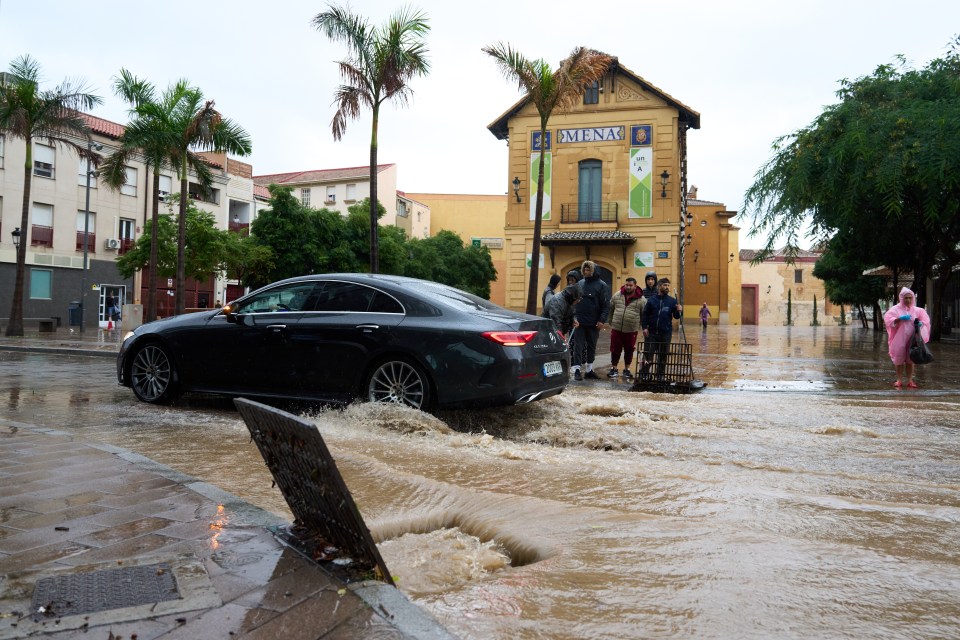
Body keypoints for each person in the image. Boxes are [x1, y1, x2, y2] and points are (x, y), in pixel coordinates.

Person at [882, 287, 931, 389]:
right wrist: (899, 319)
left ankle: (910, 381)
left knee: (910, 360)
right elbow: (887, 320)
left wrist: (921, 323)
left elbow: (926, 321)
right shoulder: (895, 309)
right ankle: (899, 380)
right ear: (901, 298)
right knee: (899, 360)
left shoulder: (918, 311)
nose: (908, 300)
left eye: (910, 297)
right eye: (906, 298)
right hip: (898, 339)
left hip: (912, 340)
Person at [572, 260, 610, 381]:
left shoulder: (602, 285)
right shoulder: (580, 284)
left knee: (591, 346)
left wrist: (602, 320)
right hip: (579, 322)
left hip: (594, 323)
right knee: (578, 346)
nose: (585, 272)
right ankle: (577, 369)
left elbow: (605, 305)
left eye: (588, 270)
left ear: (593, 271)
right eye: (584, 269)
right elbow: (573, 302)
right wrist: (573, 318)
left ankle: (589, 370)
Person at [640, 278, 683, 381]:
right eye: (665, 285)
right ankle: (645, 374)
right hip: (651, 332)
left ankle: (660, 375)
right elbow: (645, 315)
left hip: (666, 332)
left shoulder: (672, 301)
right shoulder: (651, 300)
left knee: (663, 355)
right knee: (648, 353)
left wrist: (680, 310)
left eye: (668, 285)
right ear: (659, 286)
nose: (667, 287)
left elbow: (677, 316)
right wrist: (644, 328)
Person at [607, 277, 644, 380]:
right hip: (617, 328)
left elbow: (643, 314)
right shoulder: (617, 295)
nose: (628, 287)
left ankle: (627, 369)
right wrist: (611, 322)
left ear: (635, 286)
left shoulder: (641, 299)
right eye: (627, 285)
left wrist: (639, 326)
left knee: (629, 350)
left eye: (630, 285)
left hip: (631, 330)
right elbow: (611, 309)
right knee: (615, 349)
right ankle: (614, 368)